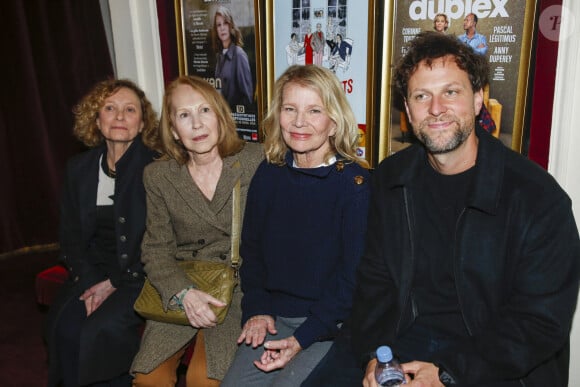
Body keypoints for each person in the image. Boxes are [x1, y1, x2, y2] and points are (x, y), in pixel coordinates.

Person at [303, 31, 580, 386]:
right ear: (407, 107)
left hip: (490, 358)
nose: (436, 109)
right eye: (422, 96)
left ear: (479, 99)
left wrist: (448, 373)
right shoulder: (391, 177)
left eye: (451, 92)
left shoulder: (538, 198)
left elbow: (540, 323)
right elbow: (374, 283)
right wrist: (373, 356)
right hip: (399, 339)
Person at [221, 64, 371, 387]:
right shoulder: (269, 173)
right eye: (290, 109)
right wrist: (257, 310)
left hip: (330, 326)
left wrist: (303, 337)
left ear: (333, 123)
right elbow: (253, 252)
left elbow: (352, 281)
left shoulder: (355, 185)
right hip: (273, 317)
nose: (299, 121)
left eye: (314, 110)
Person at [130, 75, 263, 387]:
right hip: (185, 284)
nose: (197, 124)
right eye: (184, 115)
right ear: (174, 130)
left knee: (205, 380)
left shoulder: (255, 161)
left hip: (241, 288)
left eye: (205, 111)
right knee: (148, 379)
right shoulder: (159, 176)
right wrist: (183, 293)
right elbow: (155, 249)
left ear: (220, 116)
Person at [44, 79, 161, 387]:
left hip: (139, 275)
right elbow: (69, 235)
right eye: (110, 108)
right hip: (92, 270)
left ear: (142, 123)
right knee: (63, 328)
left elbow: (159, 243)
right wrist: (90, 280)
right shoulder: (78, 168)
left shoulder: (156, 170)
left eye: (129, 109)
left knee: (98, 333)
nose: (120, 117)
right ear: (96, 119)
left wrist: (114, 283)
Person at [212, 5, 254, 110]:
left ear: (230, 25)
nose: (222, 28)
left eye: (225, 23)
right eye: (218, 25)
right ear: (216, 30)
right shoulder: (220, 56)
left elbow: (247, 97)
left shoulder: (239, 55)